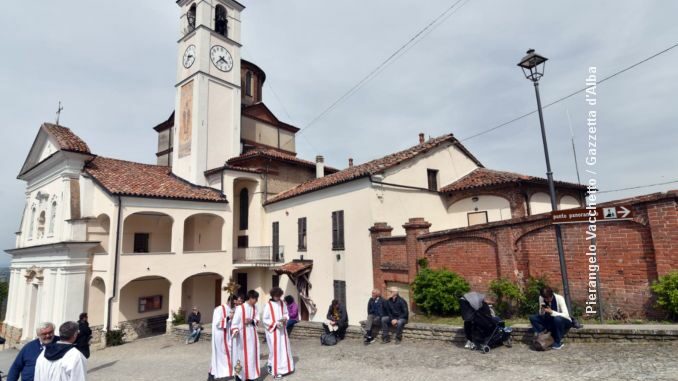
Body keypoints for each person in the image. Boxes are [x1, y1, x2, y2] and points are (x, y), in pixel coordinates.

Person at [263, 287, 295, 379]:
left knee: (284, 349)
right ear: (272, 295)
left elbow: (286, 313)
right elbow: (265, 319)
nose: (278, 298)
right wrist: (275, 324)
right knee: (275, 351)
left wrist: (285, 318)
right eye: (276, 296)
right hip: (273, 332)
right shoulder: (268, 305)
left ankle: (285, 368)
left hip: (282, 330)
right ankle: (276, 371)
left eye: (279, 296)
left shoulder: (282, 303)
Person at [231, 290, 261, 381]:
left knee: (251, 356)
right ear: (250, 298)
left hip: (252, 337)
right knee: (240, 357)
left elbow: (257, 320)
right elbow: (234, 323)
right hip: (241, 337)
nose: (256, 300)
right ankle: (240, 377)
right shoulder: (240, 308)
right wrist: (235, 330)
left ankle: (251, 376)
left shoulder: (255, 308)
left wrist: (251, 321)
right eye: (255, 298)